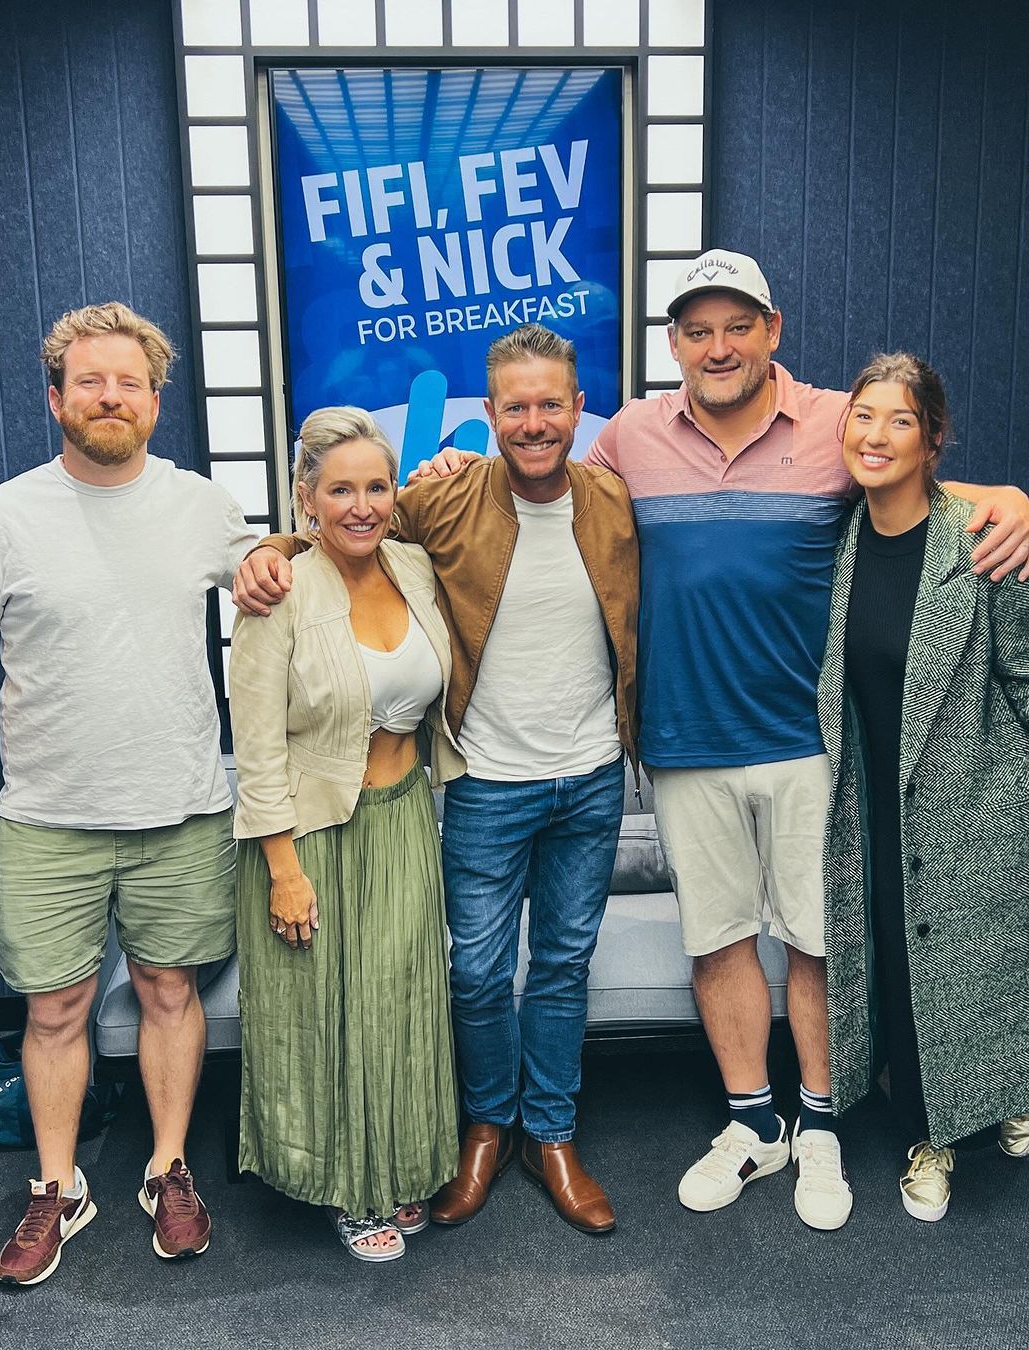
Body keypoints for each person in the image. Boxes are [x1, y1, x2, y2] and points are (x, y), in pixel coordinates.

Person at [400, 251, 1029, 1231]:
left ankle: (820, 1123)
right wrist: (437, 473)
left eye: (739, 326)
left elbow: (913, 466)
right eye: (699, 330)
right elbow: (486, 494)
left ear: (773, 331)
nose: (719, 346)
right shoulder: (632, 437)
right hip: (683, 740)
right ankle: (752, 1122)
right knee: (719, 939)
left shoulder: (833, 422)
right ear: (675, 345)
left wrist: (1015, 499)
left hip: (809, 740)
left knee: (817, 942)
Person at [234, 325, 639, 1234]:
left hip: (591, 778)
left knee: (564, 965)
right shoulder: (446, 501)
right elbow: (346, 527)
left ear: (578, 409)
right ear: (489, 413)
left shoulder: (616, 498)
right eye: (515, 406)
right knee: (479, 972)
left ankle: (552, 1135)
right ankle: (486, 1129)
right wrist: (266, 550)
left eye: (551, 404)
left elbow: (364, 520)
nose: (534, 422)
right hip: (487, 781)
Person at [0, 303, 258, 1284]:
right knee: (53, 1011)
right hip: (47, 820)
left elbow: (277, 584)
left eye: (130, 382)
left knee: (171, 992)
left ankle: (168, 1168)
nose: (111, 396)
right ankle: (57, 1187)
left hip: (183, 808)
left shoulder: (203, 507)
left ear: (156, 402)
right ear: (56, 398)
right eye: (90, 381)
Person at [227, 406, 464, 1262]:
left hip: (403, 819)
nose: (361, 506)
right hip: (310, 833)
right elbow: (256, 747)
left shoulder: (415, 565)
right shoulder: (279, 592)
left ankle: (395, 1167)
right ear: (307, 498)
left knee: (400, 1003)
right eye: (339, 491)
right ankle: (343, 1187)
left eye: (376, 487)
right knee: (320, 1014)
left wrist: (451, 474)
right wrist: (282, 870)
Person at [819, 352, 1029, 1222]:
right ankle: (928, 1131)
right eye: (864, 415)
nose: (876, 435)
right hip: (874, 801)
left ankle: (968, 1117)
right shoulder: (839, 537)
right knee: (901, 971)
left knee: (979, 968)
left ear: (933, 440)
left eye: (900, 420)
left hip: (976, 800)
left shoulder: (982, 538)